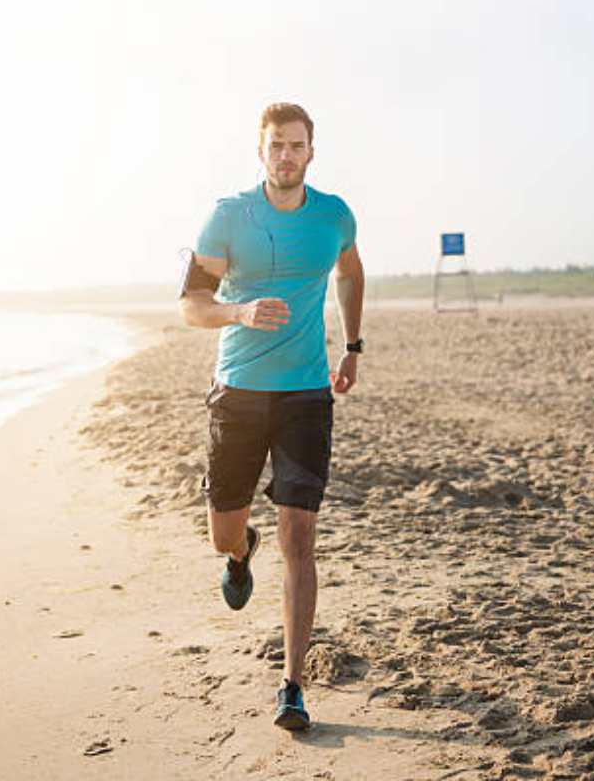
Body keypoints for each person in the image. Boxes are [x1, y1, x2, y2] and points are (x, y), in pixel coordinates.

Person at [177, 102, 364, 731]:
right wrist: (240, 311)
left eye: (297, 146)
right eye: (276, 146)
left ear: (313, 151)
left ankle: (292, 686)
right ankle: (239, 552)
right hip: (238, 393)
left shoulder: (333, 216)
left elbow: (350, 270)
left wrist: (353, 344)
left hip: (306, 396)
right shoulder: (230, 216)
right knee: (223, 532)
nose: (286, 156)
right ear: (260, 152)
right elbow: (191, 305)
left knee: (299, 538)